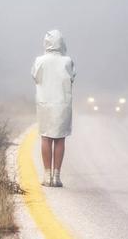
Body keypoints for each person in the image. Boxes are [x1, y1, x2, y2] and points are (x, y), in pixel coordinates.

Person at [31, 29, 76, 187]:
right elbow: (72, 77)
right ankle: (56, 176)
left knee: (46, 137)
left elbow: (35, 77)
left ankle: (47, 175)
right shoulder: (67, 61)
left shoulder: (40, 61)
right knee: (59, 139)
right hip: (62, 104)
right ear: (61, 43)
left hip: (45, 103)